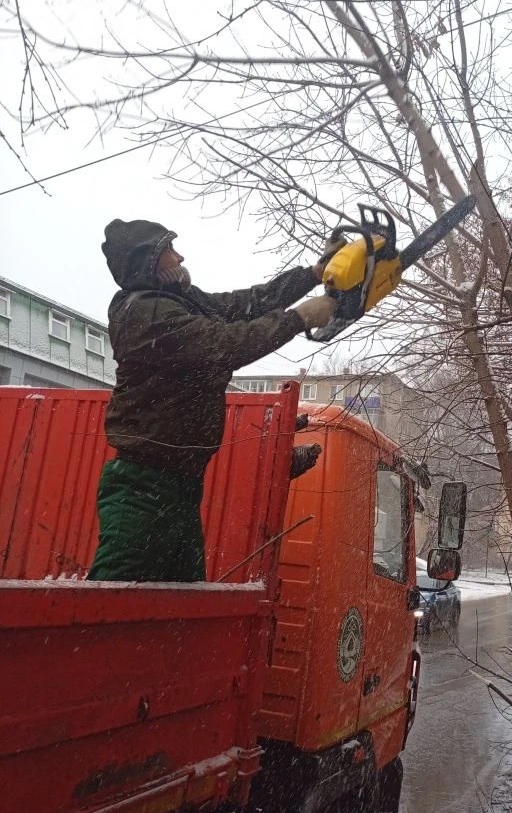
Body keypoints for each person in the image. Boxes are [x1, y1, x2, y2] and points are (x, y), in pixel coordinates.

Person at [87, 218, 337, 583]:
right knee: (108, 599)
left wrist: (312, 275)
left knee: (182, 604)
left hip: (180, 486)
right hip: (142, 490)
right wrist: (297, 319)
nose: (180, 255)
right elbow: (226, 344)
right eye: (170, 250)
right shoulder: (144, 313)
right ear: (151, 261)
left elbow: (245, 303)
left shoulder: (180, 301)